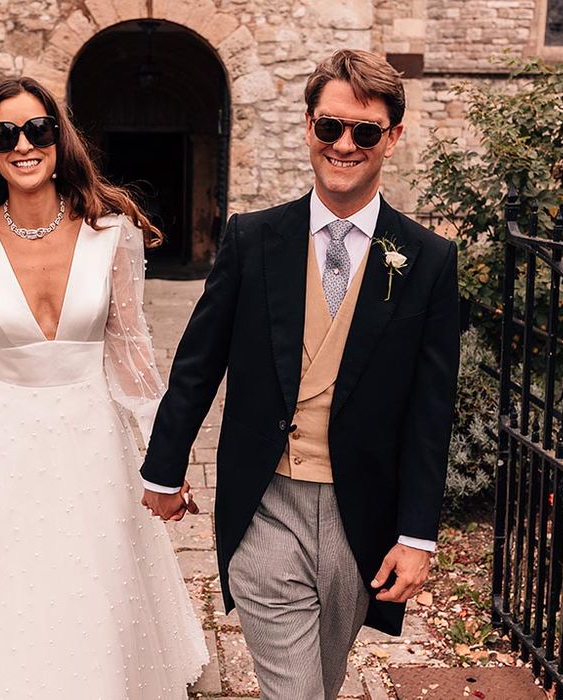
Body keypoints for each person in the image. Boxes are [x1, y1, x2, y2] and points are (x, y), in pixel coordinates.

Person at [142, 49, 460, 699]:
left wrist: (417, 533)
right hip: (265, 504)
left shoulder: (426, 259)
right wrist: (164, 468)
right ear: (308, 126)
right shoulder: (252, 239)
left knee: (324, 675)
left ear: (392, 139)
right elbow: (198, 361)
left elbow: (433, 408)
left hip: (360, 513)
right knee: (297, 689)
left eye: (364, 131)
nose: (345, 144)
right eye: (329, 127)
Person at [0, 77, 208, 698]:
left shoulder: (110, 234)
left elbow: (132, 354)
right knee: (9, 582)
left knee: (94, 580)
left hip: (93, 436)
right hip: (5, 442)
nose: (23, 145)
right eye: (4, 133)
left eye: (38, 128)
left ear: (59, 138)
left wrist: (163, 461)